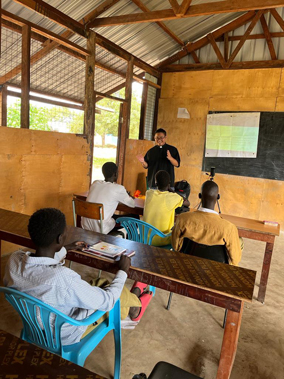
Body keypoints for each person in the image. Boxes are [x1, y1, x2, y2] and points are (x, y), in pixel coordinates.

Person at [4, 208, 141, 346]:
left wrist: (64, 248)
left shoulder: (13, 261)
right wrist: (123, 271)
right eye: (65, 233)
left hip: (34, 327)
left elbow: (40, 265)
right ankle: (135, 304)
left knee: (99, 283)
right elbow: (107, 301)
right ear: (59, 239)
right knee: (115, 294)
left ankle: (133, 299)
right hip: (65, 335)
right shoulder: (63, 279)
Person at [171, 181, 242, 265]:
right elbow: (235, 260)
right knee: (240, 242)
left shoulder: (182, 219)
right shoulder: (229, 228)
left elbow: (176, 247)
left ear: (199, 196)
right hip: (216, 272)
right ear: (218, 197)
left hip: (188, 265)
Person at [82, 162, 135, 234]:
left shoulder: (95, 183)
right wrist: (127, 196)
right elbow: (132, 204)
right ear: (115, 174)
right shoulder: (119, 188)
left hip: (86, 224)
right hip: (101, 227)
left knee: (113, 216)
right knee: (135, 217)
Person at [143, 170, 186, 246]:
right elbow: (187, 202)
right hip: (162, 240)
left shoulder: (149, 193)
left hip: (145, 239)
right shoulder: (172, 197)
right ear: (169, 183)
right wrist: (171, 190)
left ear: (155, 183)